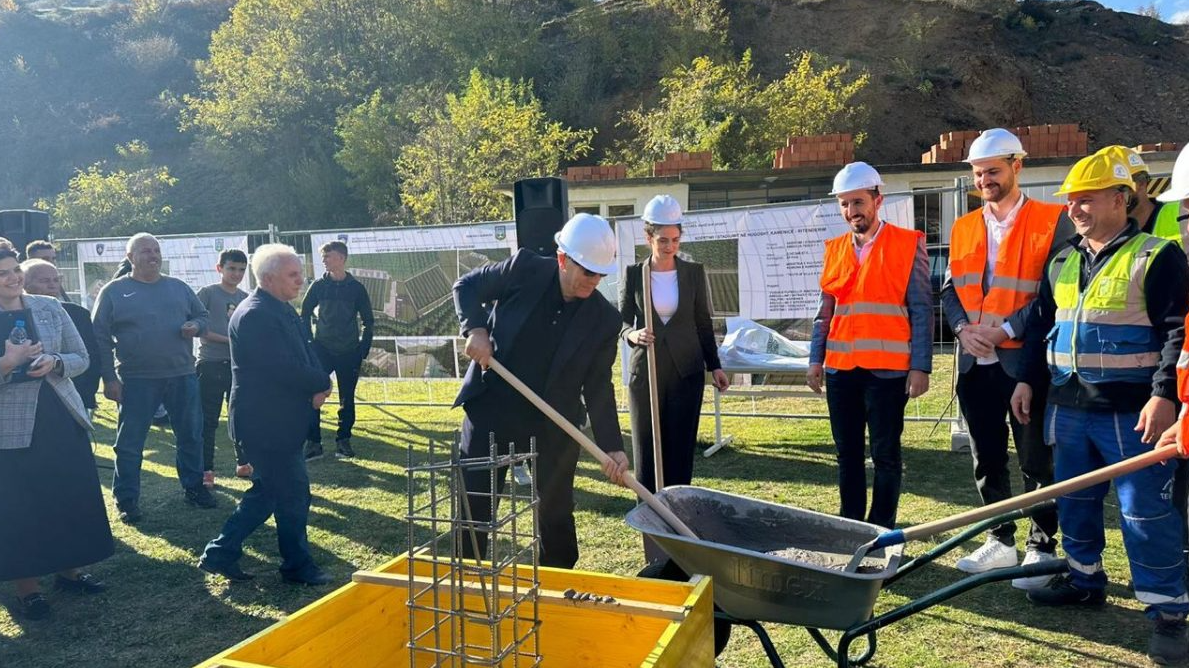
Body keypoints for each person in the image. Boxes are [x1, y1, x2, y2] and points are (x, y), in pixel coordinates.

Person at [1010, 152, 1189, 664]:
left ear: (1121, 199)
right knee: (1075, 502)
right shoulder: (1064, 257)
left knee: (1145, 513)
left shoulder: (1157, 256)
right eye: (1071, 200)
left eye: (1086, 198)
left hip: (1132, 412)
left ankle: (1168, 613)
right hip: (1068, 407)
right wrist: (1028, 381)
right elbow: (1042, 324)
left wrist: (1164, 395)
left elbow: (1178, 331)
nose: (1075, 209)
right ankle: (1084, 578)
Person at [454, 214, 629, 569]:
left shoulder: (604, 320)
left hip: (553, 422)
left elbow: (598, 386)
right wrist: (475, 329)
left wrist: (612, 446)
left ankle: (558, 587)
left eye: (600, 274)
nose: (593, 282)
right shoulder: (524, 269)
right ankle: (467, 581)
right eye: (586, 271)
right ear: (563, 259)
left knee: (556, 512)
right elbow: (467, 287)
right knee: (475, 504)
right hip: (494, 405)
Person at [941, 128, 1070, 584]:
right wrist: (962, 328)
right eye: (978, 174)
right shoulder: (962, 227)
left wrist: (1007, 330)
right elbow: (950, 288)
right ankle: (1000, 539)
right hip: (975, 363)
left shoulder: (1054, 221)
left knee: (1036, 459)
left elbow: (1056, 292)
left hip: (1026, 363)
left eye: (993, 171)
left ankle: (1041, 545)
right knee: (987, 456)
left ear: (1018, 166)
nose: (985, 181)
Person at [806, 162, 932, 530]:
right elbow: (823, 314)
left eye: (857, 202)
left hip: (888, 372)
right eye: (844, 204)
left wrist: (920, 366)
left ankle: (881, 529)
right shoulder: (834, 249)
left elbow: (922, 310)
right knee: (847, 455)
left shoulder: (908, 245)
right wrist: (816, 360)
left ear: (878, 200)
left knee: (886, 455)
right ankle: (851, 525)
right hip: (841, 371)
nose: (851, 211)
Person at [198, 244, 333, 585]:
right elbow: (281, 367)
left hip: (280, 420)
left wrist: (322, 380)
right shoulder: (256, 313)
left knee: (270, 493)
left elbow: (307, 351)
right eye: (293, 275)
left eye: (300, 273)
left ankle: (221, 552)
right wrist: (319, 382)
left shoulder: (281, 308)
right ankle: (296, 566)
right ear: (270, 278)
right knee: (291, 494)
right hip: (265, 423)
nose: (300, 280)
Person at [0, 245, 113, 620]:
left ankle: (71, 571)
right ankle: (28, 589)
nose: (13, 278)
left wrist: (56, 361)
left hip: (60, 414)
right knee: (23, 507)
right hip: (11, 428)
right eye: (4, 273)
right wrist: (9, 363)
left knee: (68, 494)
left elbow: (82, 357)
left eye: (15, 269)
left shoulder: (49, 307)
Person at [92, 233, 213, 524]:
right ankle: (127, 499)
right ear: (130, 258)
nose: (152, 255)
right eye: (145, 251)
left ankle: (194, 488)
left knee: (191, 436)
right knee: (131, 442)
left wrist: (195, 325)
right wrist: (109, 379)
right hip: (136, 380)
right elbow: (99, 338)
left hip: (182, 374)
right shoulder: (113, 291)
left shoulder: (178, 287)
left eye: (156, 250)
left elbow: (204, 317)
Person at [620, 195, 729, 493]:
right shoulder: (633, 274)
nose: (670, 247)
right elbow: (622, 322)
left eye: (675, 240)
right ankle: (650, 512)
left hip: (686, 372)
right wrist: (632, 334)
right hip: (647, 373)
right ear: (648, 237)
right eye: (663, 240)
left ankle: (679, 508)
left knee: (680, 448)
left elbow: (703, 323)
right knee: (646, 447)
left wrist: (715, 366)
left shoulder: (693, 273)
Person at [301, 240, 374, 460]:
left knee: (347, 398)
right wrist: (310, 343)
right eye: (323, 256)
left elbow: (368, 321)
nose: (324, 260)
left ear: (341, 258)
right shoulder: (318, 286)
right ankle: (313, 443)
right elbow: (304, 313)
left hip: (349, 351)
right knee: (314, 394)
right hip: (322, 349)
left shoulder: (356, 288)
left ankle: (344, 441)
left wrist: (363, 348)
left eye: (328, 256)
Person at [196, 249, 251, 487]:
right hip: (210, 364)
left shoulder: (246, 297)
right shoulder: (207, 293)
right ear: (219, 268)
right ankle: (206, 469)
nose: (236, 274)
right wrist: (231, 340)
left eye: (241, 269)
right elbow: (201, 332)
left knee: (240, 418)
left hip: (237, 366)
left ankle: (244, 463)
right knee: (208, 421)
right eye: (231, 268)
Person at [21, 260, 101, 411]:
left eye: (56, 280)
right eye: (44, 281)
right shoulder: (12, 314)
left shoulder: (78, 314)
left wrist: (87, 394)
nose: (52, 285)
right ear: (25, 284)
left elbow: (90, 356)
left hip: (71, 392)